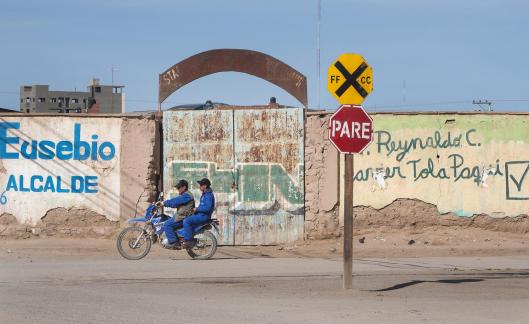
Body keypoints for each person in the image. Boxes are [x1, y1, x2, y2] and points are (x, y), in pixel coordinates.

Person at [158, 179, 195, 249]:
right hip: (182, 216)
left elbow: (175, 201)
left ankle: (174, 242)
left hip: (183, 217)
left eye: (179, 187)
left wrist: (163, 203)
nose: (178, 189)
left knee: (167, 224)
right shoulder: (185, 195)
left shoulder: (187, 196)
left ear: (184, 187)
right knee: (169, 219)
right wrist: (165, 203)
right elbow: (175, 203)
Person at [182, 178, 215, 248]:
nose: (199, 186)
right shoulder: (205, 194)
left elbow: (207, 208)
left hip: (203, 216)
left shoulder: (208, 195)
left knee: (186, 221)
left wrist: (197, 209)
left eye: (201, 185)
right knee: (186, 218)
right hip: (201, 215)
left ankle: (189, 240)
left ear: (205, 186)